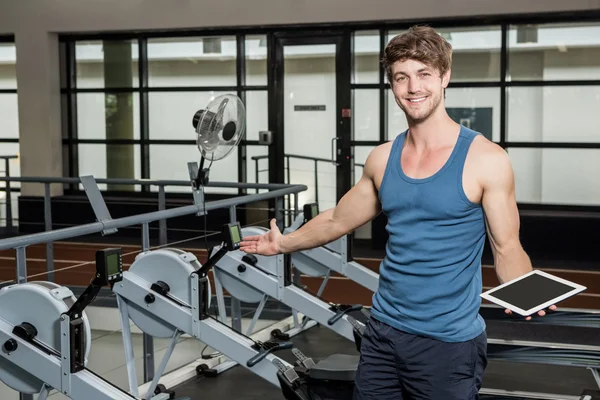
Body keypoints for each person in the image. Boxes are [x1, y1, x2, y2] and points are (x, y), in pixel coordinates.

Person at [240, 25, 555, 400]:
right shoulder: (383, 157)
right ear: (392, 85)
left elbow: (507, 248)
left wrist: (524, 289)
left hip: (447, 344)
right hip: (383, 334)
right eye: (401, 77)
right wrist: (284, 243)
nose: (413, 87)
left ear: (445, 77)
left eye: (424, 74)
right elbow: (339, 220)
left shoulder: (486, 159)